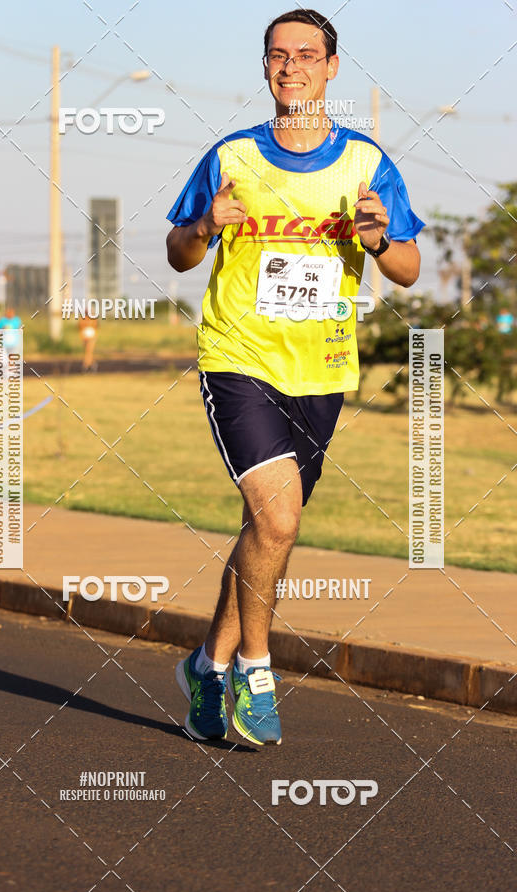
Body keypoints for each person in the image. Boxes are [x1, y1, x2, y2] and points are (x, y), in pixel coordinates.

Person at [167, 8, 424, 745]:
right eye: (277, 55)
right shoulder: (231, 156)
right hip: (238, 358)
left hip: (322, 369)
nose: (291, 68)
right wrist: (205, 226)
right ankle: (254, 667)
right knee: (279, 519)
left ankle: (205, 668)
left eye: (306, 55)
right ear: (265, 68)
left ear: (332, 68)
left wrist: (377, 240)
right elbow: (181, 254)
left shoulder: (367, 164)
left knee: (266, 532)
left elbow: (407, 269)